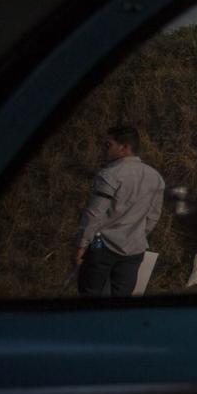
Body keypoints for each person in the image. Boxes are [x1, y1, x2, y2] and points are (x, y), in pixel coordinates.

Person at [74, 125, 165, 297]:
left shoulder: (109, 175)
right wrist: (138, 235)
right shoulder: (156, 178)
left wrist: (82, 245)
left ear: (124, 147)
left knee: (89, 297)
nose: (104, 149)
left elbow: (94, 213)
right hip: (134, 251)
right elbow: (153, 216)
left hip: (102, 246)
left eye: (109, 144)